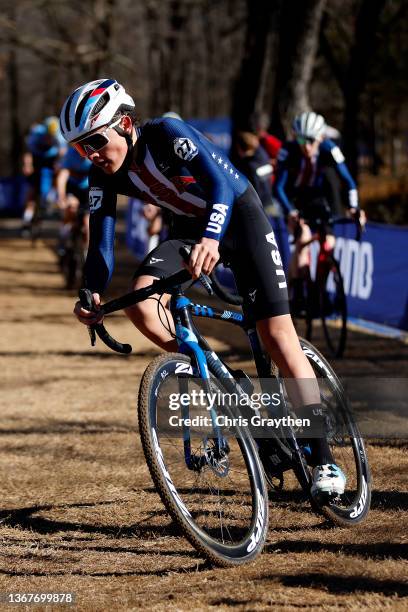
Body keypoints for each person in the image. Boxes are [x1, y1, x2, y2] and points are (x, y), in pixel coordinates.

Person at [60, 79, 346, 496]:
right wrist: (91, 292)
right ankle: (227, 378)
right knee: (142, 304)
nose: (92, 155)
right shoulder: (101, 175)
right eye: (81, 149)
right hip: (191, 231)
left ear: (124, 123)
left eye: (95, 142)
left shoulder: (166, 135)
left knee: (278, 339)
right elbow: (100, 240)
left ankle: (325, 461)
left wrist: (213, 238)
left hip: (239, 219)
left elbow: (220, 186)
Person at [274, 111, 362, 310]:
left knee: (328, 244)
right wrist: (290, 211)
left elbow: (348, 182)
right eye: (301, 139)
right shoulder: (288, 150)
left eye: (311, 141)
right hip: (294, 200)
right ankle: (295, 289)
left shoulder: (330, 148)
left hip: (320, 201)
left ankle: (318, 293)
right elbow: (278, 187)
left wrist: (354, 207)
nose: (305, 146)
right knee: (303, 238)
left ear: (321, 137)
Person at [21, 116, 67, 234]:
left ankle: (51, 198)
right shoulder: (36, 134)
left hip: (50, 160)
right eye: (47, 136)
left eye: (51, 137)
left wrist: (59, 164)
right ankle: (26, 221)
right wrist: (28, 165)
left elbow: (63, 153)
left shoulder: (59, 136)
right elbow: (28, 153)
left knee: (58, 175)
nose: (49, 139)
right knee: (31, 192)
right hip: (37, 159)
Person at [56, 147, 92, 256]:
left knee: (87, 224)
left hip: (87, 188)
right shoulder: (70, 154)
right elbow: (62, 177)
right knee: (71, 208)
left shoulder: (93, 152)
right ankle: (63, 241)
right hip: (72, 188)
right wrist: (61, 197)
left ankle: (87, 253)